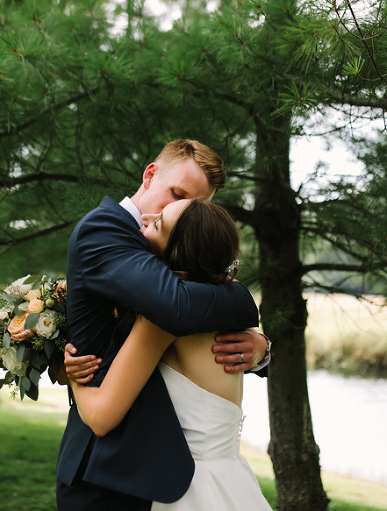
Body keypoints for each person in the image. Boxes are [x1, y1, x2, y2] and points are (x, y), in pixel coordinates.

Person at [56, 139, 271, 510]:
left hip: (162, 469)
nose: (178, 210)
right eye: (176, 194)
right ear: (150, 174)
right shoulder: (105, 229)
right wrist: (239, 296)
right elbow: (176, 306)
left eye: (194, 207)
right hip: (105, 467)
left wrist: (263, 349)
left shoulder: (171, 263)